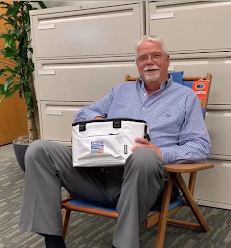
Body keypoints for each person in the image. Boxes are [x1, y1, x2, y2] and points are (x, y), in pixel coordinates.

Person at [18, 35, 211, 248]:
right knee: (39, 149)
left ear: (167, 59)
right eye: (143, 58)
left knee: (144, 155)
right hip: (98, 176)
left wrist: (160, 153)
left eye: (156, 55)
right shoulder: (121, 91)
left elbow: (200, 146)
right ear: (137, 64)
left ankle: (122, 245)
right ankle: (53, 243)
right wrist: (100, 121)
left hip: (146, 183)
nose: (149, 62)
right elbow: (84, 114)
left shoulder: (186, 98)